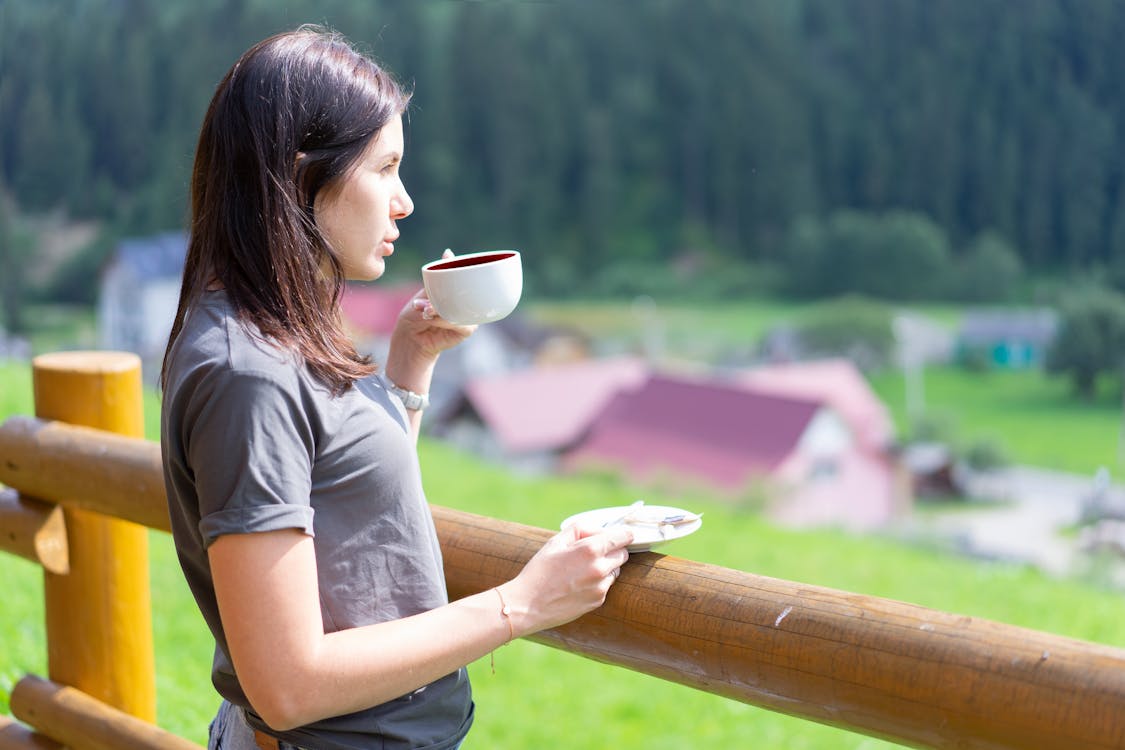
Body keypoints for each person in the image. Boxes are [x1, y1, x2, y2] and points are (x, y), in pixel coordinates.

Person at [160, 27, 633, 750]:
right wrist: (523, 604)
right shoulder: (247, 372)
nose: (404, 202)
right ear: (301, 174)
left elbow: (347, 506)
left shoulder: (276, 329)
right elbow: (287, 684)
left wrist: (408, 365)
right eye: (385, 169)